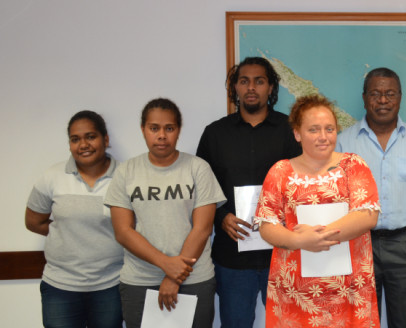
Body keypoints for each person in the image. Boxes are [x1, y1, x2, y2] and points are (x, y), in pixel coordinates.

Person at [254, 94, 380, 327]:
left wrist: (317, 238)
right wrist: (299, 240)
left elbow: (367, 214)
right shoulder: (280, 171)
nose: (323, 137)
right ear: (297, 134)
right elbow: (266, 225)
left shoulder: (353, 165)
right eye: (313, 130)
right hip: (295, 292)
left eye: (329, 129)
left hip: (348, 289)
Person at [196, 57, 301, 328]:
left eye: (259, 81)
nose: (251, 87)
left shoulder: (291, 131)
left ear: (271, 87)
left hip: (282, 254)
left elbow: (304, 186)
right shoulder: (215, 134)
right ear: (235, 88)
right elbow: (202, 189)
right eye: (244, 81)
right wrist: (221, 217)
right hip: (232, 258)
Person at [336, 67, 406, 327]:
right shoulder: (343, 143)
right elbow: (335, 199)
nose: (383, 100)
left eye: (390, 93)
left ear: (400, 97)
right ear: (364, 98)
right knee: (358, 323)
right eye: (375, 93)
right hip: (358, 246)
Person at [104, 98, 226, 328]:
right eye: (154, 128)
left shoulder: (198, 168)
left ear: (178, 130)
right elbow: (122, 231)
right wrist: (166, 265)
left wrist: (174, 277)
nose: (162, 135)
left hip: (194, 279)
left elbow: (202, 229)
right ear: (143, 130)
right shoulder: (126, 172)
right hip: (140, 281)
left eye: (169, 128)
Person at [25, 110, 124, 328]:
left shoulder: (126, 177)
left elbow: (133, 228)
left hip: (110, 286)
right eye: (75, 139)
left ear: (105, 139)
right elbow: (33, 221)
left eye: (90, 136)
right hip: (60, 288)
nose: (83, 145)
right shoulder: (52, 176)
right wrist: (67, 232)